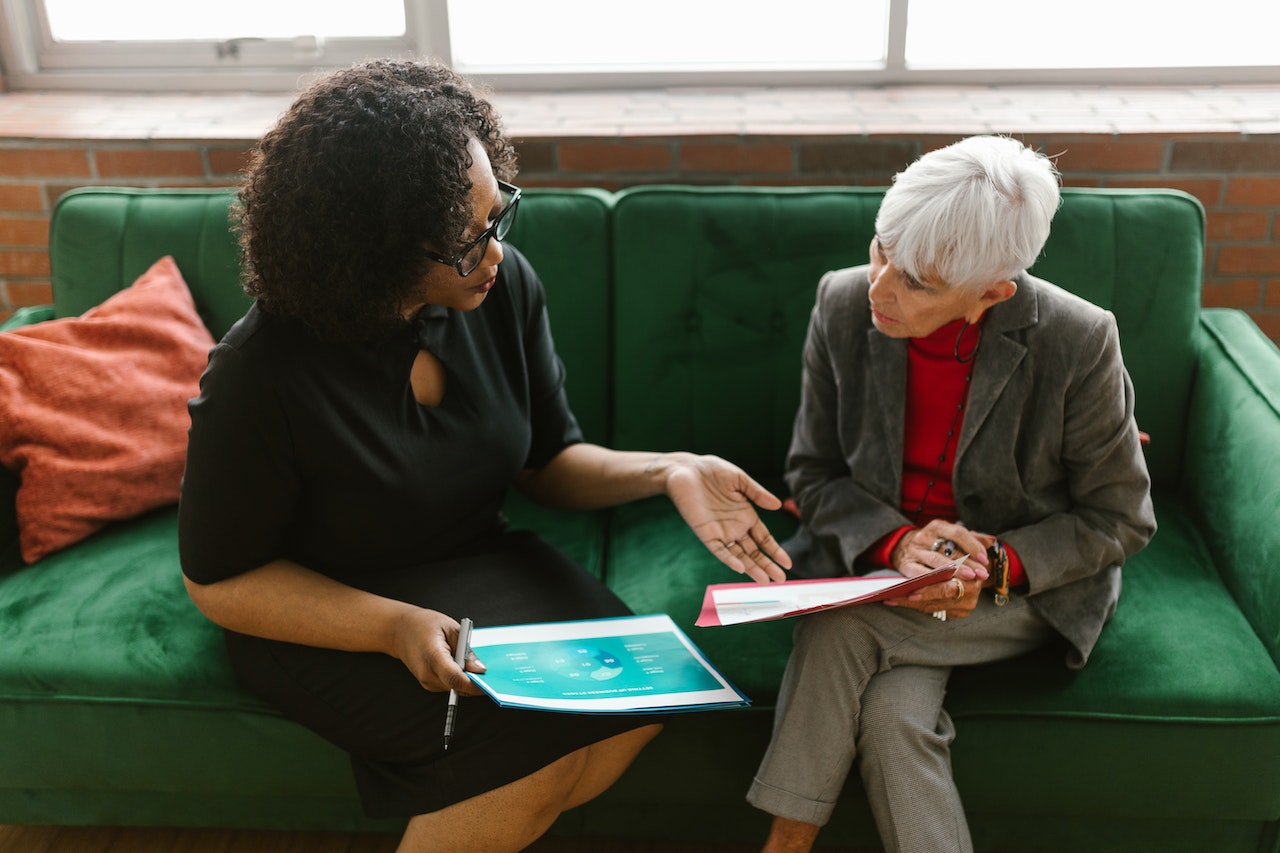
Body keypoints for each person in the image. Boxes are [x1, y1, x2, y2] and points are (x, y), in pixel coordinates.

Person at [177, 59, 790, 853]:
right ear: (378, 251)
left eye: (499, 215)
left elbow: (549, 460)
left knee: (640, 707)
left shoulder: (500, 290)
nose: (495, 252)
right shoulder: (260, 373)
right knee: (524, 758)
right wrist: (391, 628)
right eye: (468, 242)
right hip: (332, 601)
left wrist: (667, 467)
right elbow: (219, 578)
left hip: (475, 558)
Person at [747, 135, 1156, 853]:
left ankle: (784, 844)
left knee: (839, 628)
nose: (879, 287)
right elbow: (812, 473)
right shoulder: (842, 303)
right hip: (881, 569)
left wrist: (991, 566)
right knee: (893, 714)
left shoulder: (1080, 339)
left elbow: (1119, 517)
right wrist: (899, 543)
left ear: (995, 290)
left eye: (918, 282)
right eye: (880, 250)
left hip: (1014, 588)